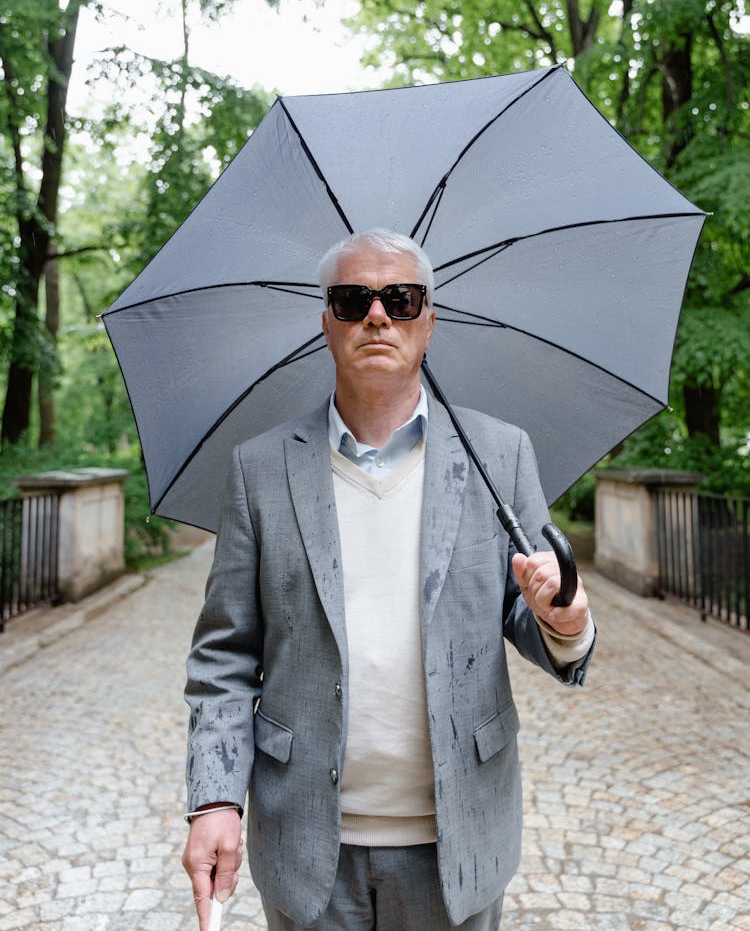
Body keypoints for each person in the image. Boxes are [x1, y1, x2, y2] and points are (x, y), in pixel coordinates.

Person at [182, 228, 595, 931]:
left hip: (459, 843)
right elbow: (224, 654)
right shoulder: (259, 470)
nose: (378, 315)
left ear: (428, 321)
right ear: (327, 323)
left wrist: (565, 622)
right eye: (353, 299)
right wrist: (215, 797)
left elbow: (533, 618)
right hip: (306, 847)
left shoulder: (500, 455)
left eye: (400, 298)